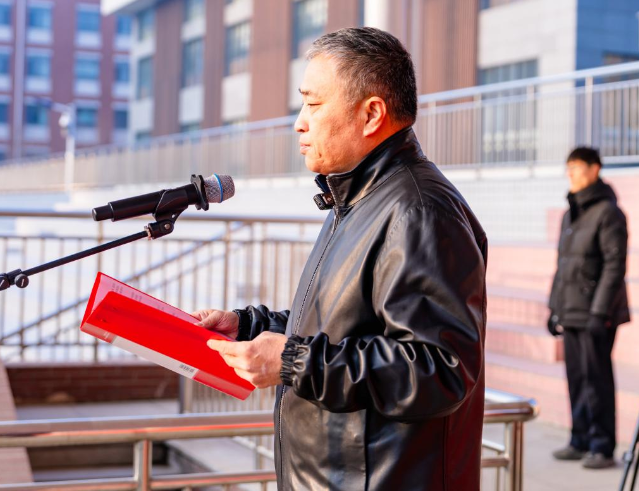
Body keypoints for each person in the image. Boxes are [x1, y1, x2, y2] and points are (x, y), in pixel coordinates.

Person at [191, 27, 488, 490]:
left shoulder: (418, 209)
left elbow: (438, 369)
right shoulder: (355, 197)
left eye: (312, 103)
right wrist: (252, 327)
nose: (299, 123)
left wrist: (292, 361)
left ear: (371, 114)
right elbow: (345, 324)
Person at [548, 147, 630, 470]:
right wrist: (554, 308)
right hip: (571, 309)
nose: (571, 174)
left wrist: (599, 312)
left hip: (597, 312)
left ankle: (602, 446)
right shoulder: (570, 213)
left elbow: (614, 266)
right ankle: (579, 439)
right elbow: (562, 265)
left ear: (594, 169)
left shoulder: (609, 212)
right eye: (568, 168)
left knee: (597, 380)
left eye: (577, 168)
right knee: (576, 377)